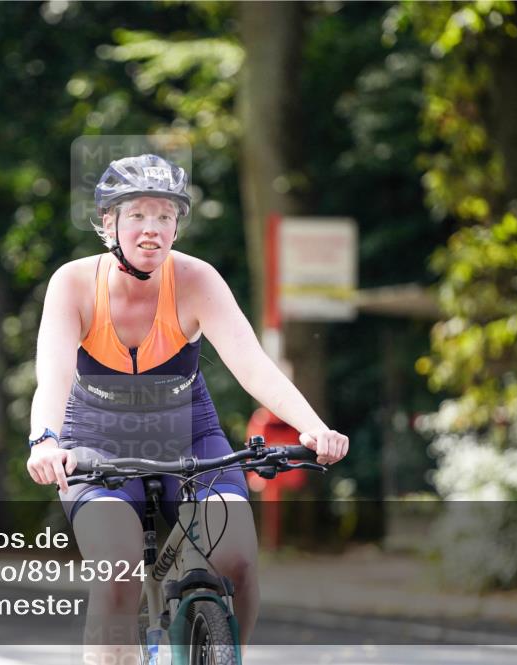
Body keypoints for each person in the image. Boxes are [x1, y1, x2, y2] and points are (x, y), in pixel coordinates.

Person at [25, 154, 349, 663]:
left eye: (165, 216)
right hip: (94, 438)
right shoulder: (74, 283)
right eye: (137, 215)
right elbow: (54, 378)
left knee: (238, 561)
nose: (152, 229)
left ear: (177, 225)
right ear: (108, 223)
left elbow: (251, 364)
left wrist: (312, 428)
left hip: (188, 431)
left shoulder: (197, 280)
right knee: (117, 575)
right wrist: (44, 440)